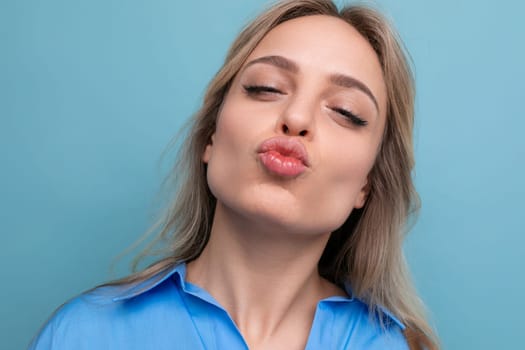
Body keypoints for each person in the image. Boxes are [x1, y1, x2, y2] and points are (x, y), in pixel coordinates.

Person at [29, 0, 439, 349]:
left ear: (366, 184)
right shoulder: (83, 334)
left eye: (346, 112)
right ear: (210, 135)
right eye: (265, 88)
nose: (296, 117)